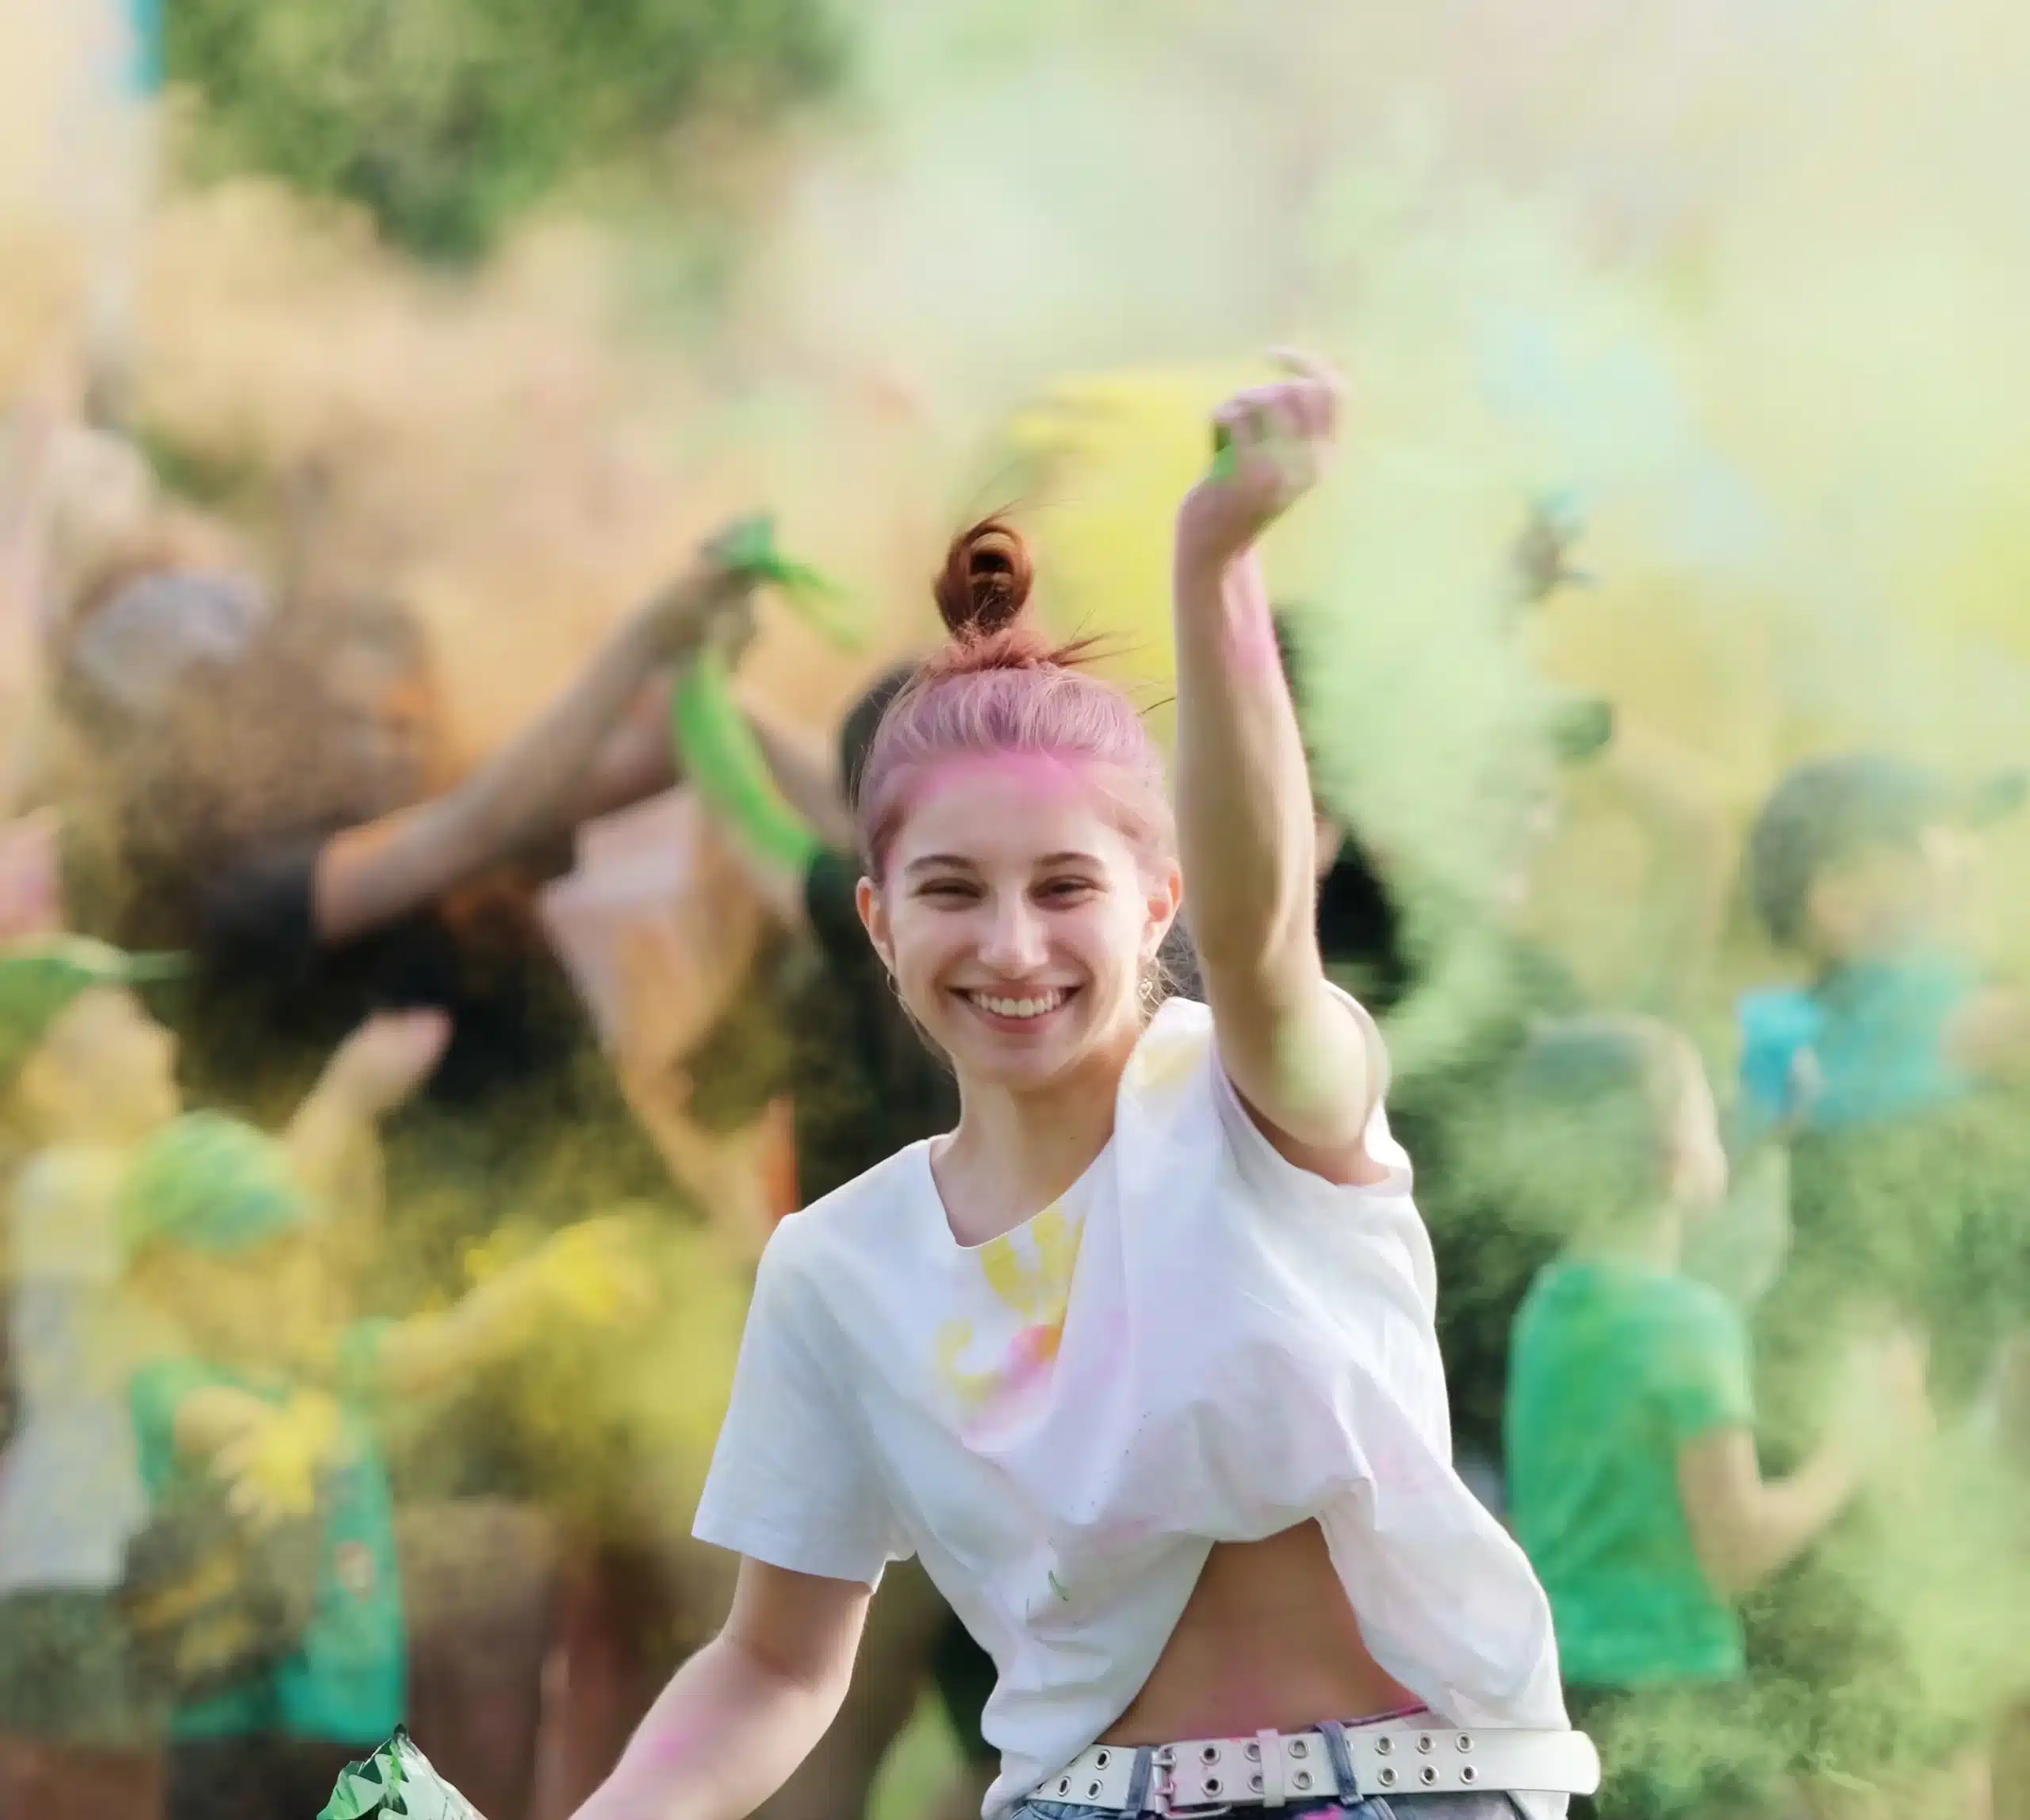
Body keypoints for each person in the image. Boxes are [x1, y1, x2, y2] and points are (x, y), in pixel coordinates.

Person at [573, 358, 1595, 1820]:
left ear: (1156, 900)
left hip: (1414, 1792)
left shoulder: (1265, 1099)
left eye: (1066, 887)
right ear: (877, 921)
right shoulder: (838, 1266)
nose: (1012, 946)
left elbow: (1263, 938)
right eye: (951, 891)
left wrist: (1218, 562)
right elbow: (772, 1664)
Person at [118, 1110, 648, 1820]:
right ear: (162, 1278)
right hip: (235, 1731)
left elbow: (440, 1346)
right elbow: (207, 1419)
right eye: (248, 1261)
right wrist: (276, 1435)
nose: (283, 1279)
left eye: (292, 1252)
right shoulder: (169, 1382)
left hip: (358, 1717)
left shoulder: (332, 1362)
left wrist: (534, 1287)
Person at [1502, 1015, 1928, 1819]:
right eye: (1706, 1113)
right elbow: (1735, 1548)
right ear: (1674, 1159)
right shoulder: (1688, 1325)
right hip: (1679, 1712)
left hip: (1562, 1707)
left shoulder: (1548, 1308)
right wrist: (1853, 1446)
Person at [1733, 753, 2030, 1813]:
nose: (1970, 860)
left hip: (1898, 1448)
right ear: (1840, 898)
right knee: (1905, 1765)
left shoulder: (1806, 1029)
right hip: (1865, 1448)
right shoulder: (1875, 1021)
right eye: (1934, 842)